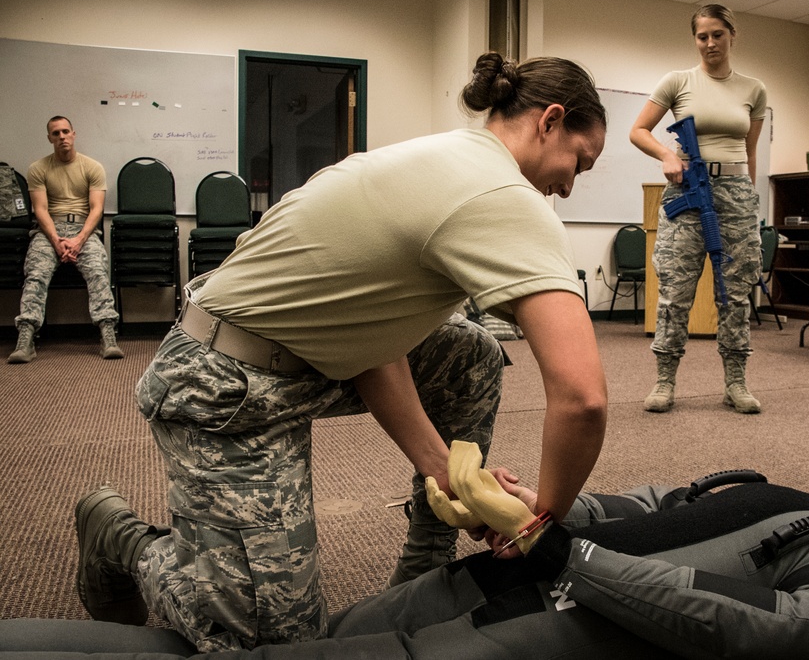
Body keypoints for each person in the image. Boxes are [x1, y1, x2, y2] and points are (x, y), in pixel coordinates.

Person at [73, 52, 609, 652]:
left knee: (469, 354)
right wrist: (541, 529)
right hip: (221, 384)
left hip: (303, 355)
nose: (568, 184)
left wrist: (443, 470)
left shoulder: (443, 158)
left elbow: (378, 335)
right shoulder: (503, 195)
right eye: (579, 163)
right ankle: (119, 537)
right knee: (274, 644)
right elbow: (582, 398)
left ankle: (429, 555)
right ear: (550, 121)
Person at [4, 447, 809, 659]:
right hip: (487, 595)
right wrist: (509, 503)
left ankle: (118, 535)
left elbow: (794, 638)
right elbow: (624, 508)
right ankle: (120, 539)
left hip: (504, 619)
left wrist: (558, 547)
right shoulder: (775, 505)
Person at [629, 4, 767, 414]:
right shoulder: (678, 81)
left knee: (736, 293)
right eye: (702, 36)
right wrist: (667, 158)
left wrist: (751, 198)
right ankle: (665, 381)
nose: (710, 43)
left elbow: (750, 150)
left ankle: (736, 383)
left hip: (737, 194)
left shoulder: (754, 89)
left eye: (717, 34)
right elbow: (638, 130)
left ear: (731, 35)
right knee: (675, 292)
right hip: (687, 190)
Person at [7, 116, 122, 364]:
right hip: (49, 230)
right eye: (56, 133)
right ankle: (26, 338)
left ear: (73, 134)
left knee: (98, 271)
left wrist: (79, 240)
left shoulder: (92, 167)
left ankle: (107, 335)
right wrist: (57, 240)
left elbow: (96, 210)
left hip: (84, 228)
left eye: (65, 132)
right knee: (36, 272)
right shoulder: (38, 168)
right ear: (49, 138)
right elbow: (40, 210)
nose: (62, 137)